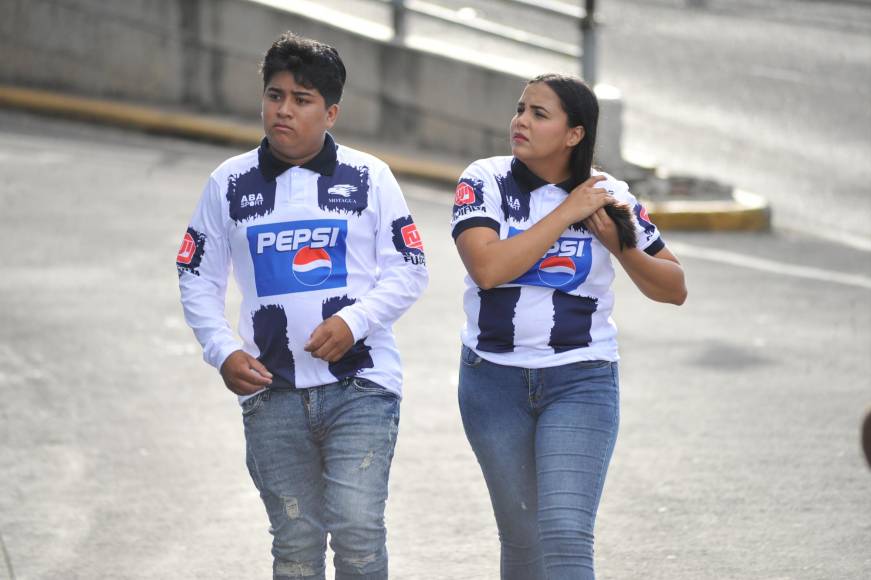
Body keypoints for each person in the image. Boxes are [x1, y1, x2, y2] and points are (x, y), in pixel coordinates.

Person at [177, 32, 428, 579]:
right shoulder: (228, 183)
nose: (283, 110)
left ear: (331, 111)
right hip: (272, 394)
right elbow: (196, 276)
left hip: (362, 385)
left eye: (301, 99)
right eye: (274, 95)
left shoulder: (370, 177)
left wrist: (353, 321)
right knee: (294, 544)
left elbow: (410, 268)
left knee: (359, 532)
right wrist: (221, 351)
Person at [451, 73, 687, 580]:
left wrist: (620, 243)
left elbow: (673, 287)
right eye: (520, 109)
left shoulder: (608, 194)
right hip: (493, 381)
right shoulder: (484, 179)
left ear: (574, 133)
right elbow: (488, 269)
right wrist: (566, 212)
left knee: (564, 533)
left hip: (581, 379)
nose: (521, 121)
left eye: (539, 113)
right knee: (523, 539)